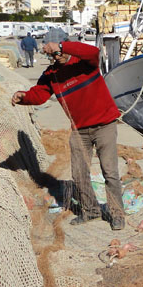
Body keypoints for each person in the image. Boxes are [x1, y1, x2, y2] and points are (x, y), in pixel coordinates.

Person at [11, 41, 125, 230]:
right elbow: (39, 95)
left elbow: (93, 52)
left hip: (104, 125)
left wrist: (62, 46)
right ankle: (91, 210)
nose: (57, 57)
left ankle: (117, 214)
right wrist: (24, 97)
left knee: (110, 172)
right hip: (80, 130)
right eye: (53, 55)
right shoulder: (51, 74)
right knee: (79, 173)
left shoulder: (85, 63)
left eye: (59, 53)